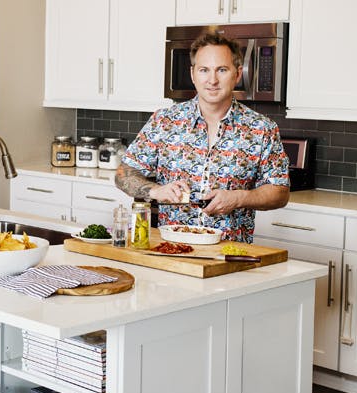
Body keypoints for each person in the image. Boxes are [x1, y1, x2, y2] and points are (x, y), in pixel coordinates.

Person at [115, 32, 290, 243]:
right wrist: (156, 191)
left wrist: (239, 197)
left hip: (229, 256)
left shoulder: (262, 129)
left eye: (222, 70)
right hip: (170, 250)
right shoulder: (164, 121)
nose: (212, 80)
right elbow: (123, 173)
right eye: (204, 70)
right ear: (193, 74)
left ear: (237, 74)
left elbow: (280, 192)